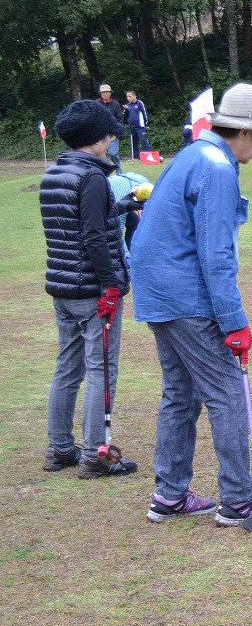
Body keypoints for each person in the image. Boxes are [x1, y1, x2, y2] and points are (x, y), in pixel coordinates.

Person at [130, 83, 252, 526]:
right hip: (187, 297)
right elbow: (215, 254)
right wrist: (234, 321)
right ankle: (239, 500)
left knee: (180, 394)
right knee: (227, 394)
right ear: (244, 132)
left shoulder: (191, 154)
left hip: (158, 293)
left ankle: (169, 494)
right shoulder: (217, 167)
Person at [39, 99, 144, 478]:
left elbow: (80, 221)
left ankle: (59, 449)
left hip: (63, 288)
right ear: (100, 138)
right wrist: (113, 285)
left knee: (67, 368)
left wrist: (121, 206)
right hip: (93, 291)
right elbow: (94, 238)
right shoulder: (94, 176)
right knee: (101, 370)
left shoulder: (55, 173)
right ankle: (94, 457)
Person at [96, 84, 124, 168]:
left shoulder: (115, 104)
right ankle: (105, 170)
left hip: (113, 134)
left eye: (107, 92)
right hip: (100, 134)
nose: (105, 94)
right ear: (100, 94)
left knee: (113, 153)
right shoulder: (96, 103)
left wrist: (119, 129)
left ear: (110, 93)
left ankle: (118, 168)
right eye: (103, 93)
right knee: (100, 155)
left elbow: (120, 118)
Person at [124, 90, 152, 159]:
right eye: (127, 97)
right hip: (131, 127)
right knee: (133, 142)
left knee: (143, 140)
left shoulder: (139, 103)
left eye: (130, 96)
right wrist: (126, 110)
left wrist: (146, 124)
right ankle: (136, 157)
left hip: (140, 126)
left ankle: (148, 156)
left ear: (134, 96)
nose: (128, 98)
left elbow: (145, 113)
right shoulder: (128, 105)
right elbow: (124, 115)